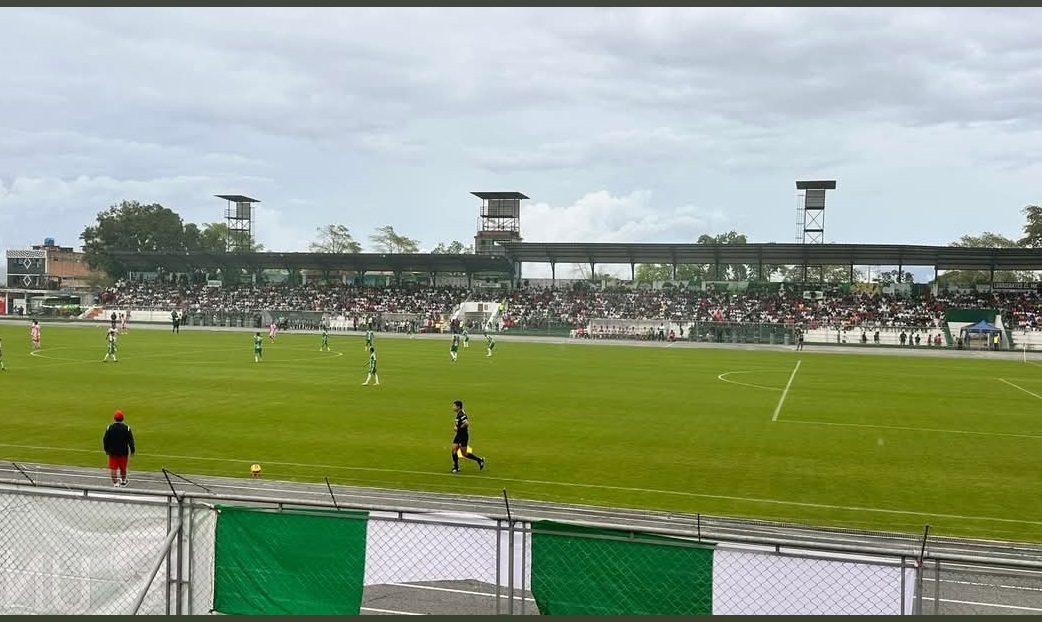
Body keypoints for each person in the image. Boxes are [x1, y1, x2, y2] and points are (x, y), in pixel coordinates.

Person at [451, 400, 485, 473]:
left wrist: (458, 429)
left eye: (454, 406)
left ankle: (479, 460)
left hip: (463, 436)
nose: (453, 407)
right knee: (454, 450)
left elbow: (466, 423)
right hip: (458, 435)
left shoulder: (461, 414)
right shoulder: (459, 413)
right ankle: (456, 468)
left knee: (464, 453)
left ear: (458, 407)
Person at [103, 410, 136, 487]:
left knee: (113, 468)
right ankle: (123, 481)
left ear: (114, 418)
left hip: (112, 451)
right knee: (123, 468)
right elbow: (130, 440)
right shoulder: (127, 428)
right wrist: (132, 450)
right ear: (123, 418)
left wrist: (106, 449)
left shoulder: (109, 428)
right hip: (123, 451)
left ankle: (115, 483)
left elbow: (105, 439)